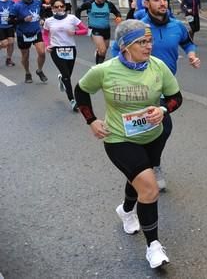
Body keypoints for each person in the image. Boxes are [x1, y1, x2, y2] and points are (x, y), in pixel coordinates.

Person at [75, 20, 182, 269]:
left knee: (139, 179)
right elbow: (81, 91)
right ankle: (153, 246)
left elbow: (176, 97)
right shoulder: (105, 70)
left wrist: (163, 109)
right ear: (124, 46)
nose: (148, 46)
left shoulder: (158, 67)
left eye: (149, 41)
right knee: (149, 188)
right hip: (119, 138)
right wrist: (91, 120)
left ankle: (126, 210)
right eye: (141, 42)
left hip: (152, 136)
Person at [112, 0, 200, 191]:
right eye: (157, 0)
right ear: (146, 3)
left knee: (160, 128)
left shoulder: (177, 26)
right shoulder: (138, 27)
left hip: (164, 87)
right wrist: (119, 72)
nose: (162, 3)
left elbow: (188, 43)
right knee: (158, 126)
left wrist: (192, 54)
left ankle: (150, 164)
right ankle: (147, 167)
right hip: (139, 85)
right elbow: (117, 49)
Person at [42, 0, 88, 110]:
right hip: (56, 49)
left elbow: (85, 30)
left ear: (65, 6)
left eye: (61, 6)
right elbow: (45, 34)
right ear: (52, 8)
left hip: (70, 49)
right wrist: (47, 45)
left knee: (68, 74)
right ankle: (72, 100)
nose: (59, 9)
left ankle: (62, 78)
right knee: (67, 76)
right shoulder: (49, 21)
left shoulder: (72, 18)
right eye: (56, 7)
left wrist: (75, 32)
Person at [9, 0, 48, 83]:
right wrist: (23, 19)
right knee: (25, 56)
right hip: (23, 34)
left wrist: (42, 19)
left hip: (36, 31)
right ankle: (27, 73)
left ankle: (39, 70)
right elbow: (10, 21)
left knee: (42, 53)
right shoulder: (16, 6)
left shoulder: (38, 2)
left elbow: (42, 11)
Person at [76, 0, 122, 64]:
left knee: (103, 51)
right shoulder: (89, 4)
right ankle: (98, 67)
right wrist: (78, 22)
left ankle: (98, 57)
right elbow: (78, 10)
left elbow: (117, 12)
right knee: (102, 50)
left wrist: (118, 17)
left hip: (106, 29)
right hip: (94, 29)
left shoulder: (109, 4)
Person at [1, 0, 17, 66]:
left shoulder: (11, 2)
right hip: (0, 26)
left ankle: (8, 59)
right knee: (4, 43)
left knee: (11, 42)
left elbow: (14, 12)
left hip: (9, 26)